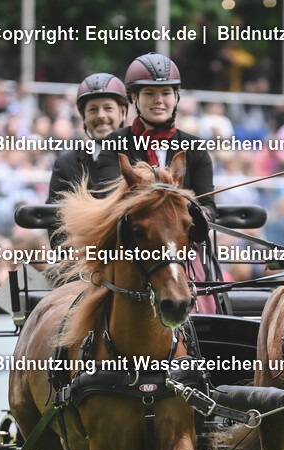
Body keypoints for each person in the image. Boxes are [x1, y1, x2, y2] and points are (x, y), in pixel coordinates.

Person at [95, 53, 218, 311]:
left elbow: (209, 206)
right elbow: (107, 200)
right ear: (134, 98)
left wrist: (197, 211)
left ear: (176, 98)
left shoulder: (195, 147)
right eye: (149, 93)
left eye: (166, 93)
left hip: (181, 250)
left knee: (204, 303)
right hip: (129, 250)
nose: (159, 101)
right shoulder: (114, 143)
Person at [48, 73, 129, 203]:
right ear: (83, 116)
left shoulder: (142, 158)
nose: (101, 115)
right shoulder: (66, 166)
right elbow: (54, 220)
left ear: (123, 113)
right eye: (93, 109)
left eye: (108, 108)